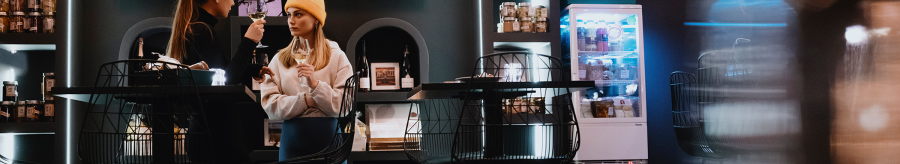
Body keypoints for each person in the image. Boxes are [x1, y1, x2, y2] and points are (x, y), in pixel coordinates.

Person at [165, 0, 275, 163]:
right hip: (216, 136)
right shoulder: (202, 31)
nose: (232, 2)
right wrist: (248, 42)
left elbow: (216, 74)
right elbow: (223, 83)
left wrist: (252, 70)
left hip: (208, 132)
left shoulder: (197, 28)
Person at [260, 0, 353, 161]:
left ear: (316, 18)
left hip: (331, 145)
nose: (291, 20)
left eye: (298, 14)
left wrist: (316, 85)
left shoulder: (337, 56)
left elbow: (345, 105)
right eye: (289, 15)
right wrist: (305, 101)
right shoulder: (279, 60)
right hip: (292, 144)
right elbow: (270, 105)